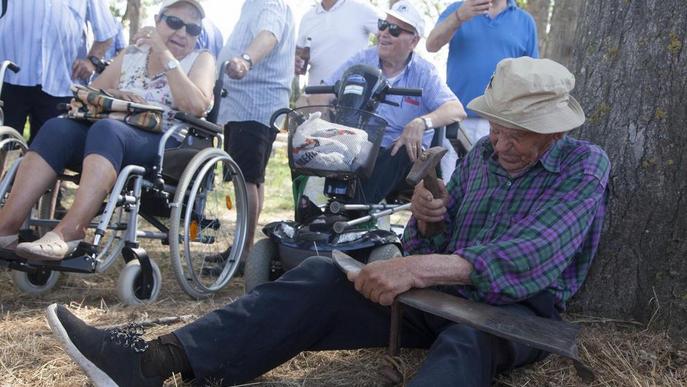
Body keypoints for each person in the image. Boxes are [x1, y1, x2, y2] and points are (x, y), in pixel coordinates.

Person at [45, 56, 610, 386]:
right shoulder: (484, 156)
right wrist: (427, 219)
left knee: (464, 345)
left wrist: (419, 264)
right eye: (499, 128)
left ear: (555, 130)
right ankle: (152, 362)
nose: (502, 144)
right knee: (318, 278)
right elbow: (430, 238)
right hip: (444, 292)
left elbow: (535, 255)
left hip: (514, 312)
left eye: (520, 134)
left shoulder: (585, 166)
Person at [0, 0, 215, 261]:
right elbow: (93, 92)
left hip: (163, 143)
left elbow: (195, 105)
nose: (182, 33)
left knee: (108, 130)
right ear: (158, 20)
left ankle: (69, 233)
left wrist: (164, 54)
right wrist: (115, 94)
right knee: (56, 127)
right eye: (174, 23)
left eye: (192, 29)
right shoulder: (132, 54)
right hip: (109, 132)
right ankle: (5, 228)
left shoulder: (200, 59)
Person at [313, 0, 465, 204]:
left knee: (401, 147)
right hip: (355, 146)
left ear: (413, 41)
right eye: (383, 25)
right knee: (307, 147)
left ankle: (353, 208)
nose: (384, 33)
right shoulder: (362, 60)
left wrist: (421, 122)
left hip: (398, 153)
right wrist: (322, 116)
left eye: (394, 29)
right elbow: (324, 91)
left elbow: (455, 109)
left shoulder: (424, 72)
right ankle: (308, 217)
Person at [215, 0, 295, 255]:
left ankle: (243, 250)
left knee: (245, 178)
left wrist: (245, 60)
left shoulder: (268, 3)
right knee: (251, 179)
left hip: (253, 104)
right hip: (248, 106)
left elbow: (268, 35)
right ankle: (245, 247)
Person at [0, 0, 118, 143]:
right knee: (2, 146)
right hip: (8, 78)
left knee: (46, 154)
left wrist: (92, 61)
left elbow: (107, 32)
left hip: (60, 83)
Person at [426, 0, 538, 144]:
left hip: (502, 124)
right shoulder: (458, 9)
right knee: (453, 167)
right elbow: (431, 45)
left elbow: (531, 76)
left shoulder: (525, 21)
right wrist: (458, 16)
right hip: (457, 118)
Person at [295, 0, 382, 87]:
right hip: (316, 93)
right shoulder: (307, 18)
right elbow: (299, 56)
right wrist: (296, 64)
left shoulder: (362, 8)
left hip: (352, 93)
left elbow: (391, 35)